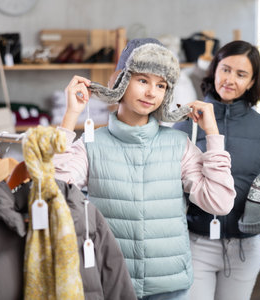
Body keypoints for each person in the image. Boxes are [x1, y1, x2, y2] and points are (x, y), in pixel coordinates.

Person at [53, 38, 236, 300]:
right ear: (120, 81)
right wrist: (71, 116)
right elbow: (55, 193)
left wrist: (213, 134)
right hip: (110, 283)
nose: (152, 93)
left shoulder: (178, 145)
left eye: (161, 85)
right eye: (143, 80)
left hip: (170, 289)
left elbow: (219, 202)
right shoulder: (92, 144)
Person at [173, 40, 260, 300]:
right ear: (214, 70)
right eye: (225, 69)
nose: (230, 79)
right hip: (195, 244)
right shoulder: (185, 125)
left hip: (245, 248)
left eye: (241, 74)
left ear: (251, 82)